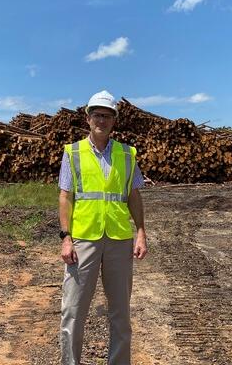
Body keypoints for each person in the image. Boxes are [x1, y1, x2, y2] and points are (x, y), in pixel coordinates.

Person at [58, 90, 147, 365]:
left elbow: (133, 195)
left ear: (114, 121)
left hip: (119, 239)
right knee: (73, 310)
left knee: (120, 312)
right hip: (83, 239)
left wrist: (141, 231)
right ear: (88, 118)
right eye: (97, 114)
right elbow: (65, 196)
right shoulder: (72, 152)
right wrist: (66, 237)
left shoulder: (127, 153)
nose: (102, 120)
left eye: (107, 116)